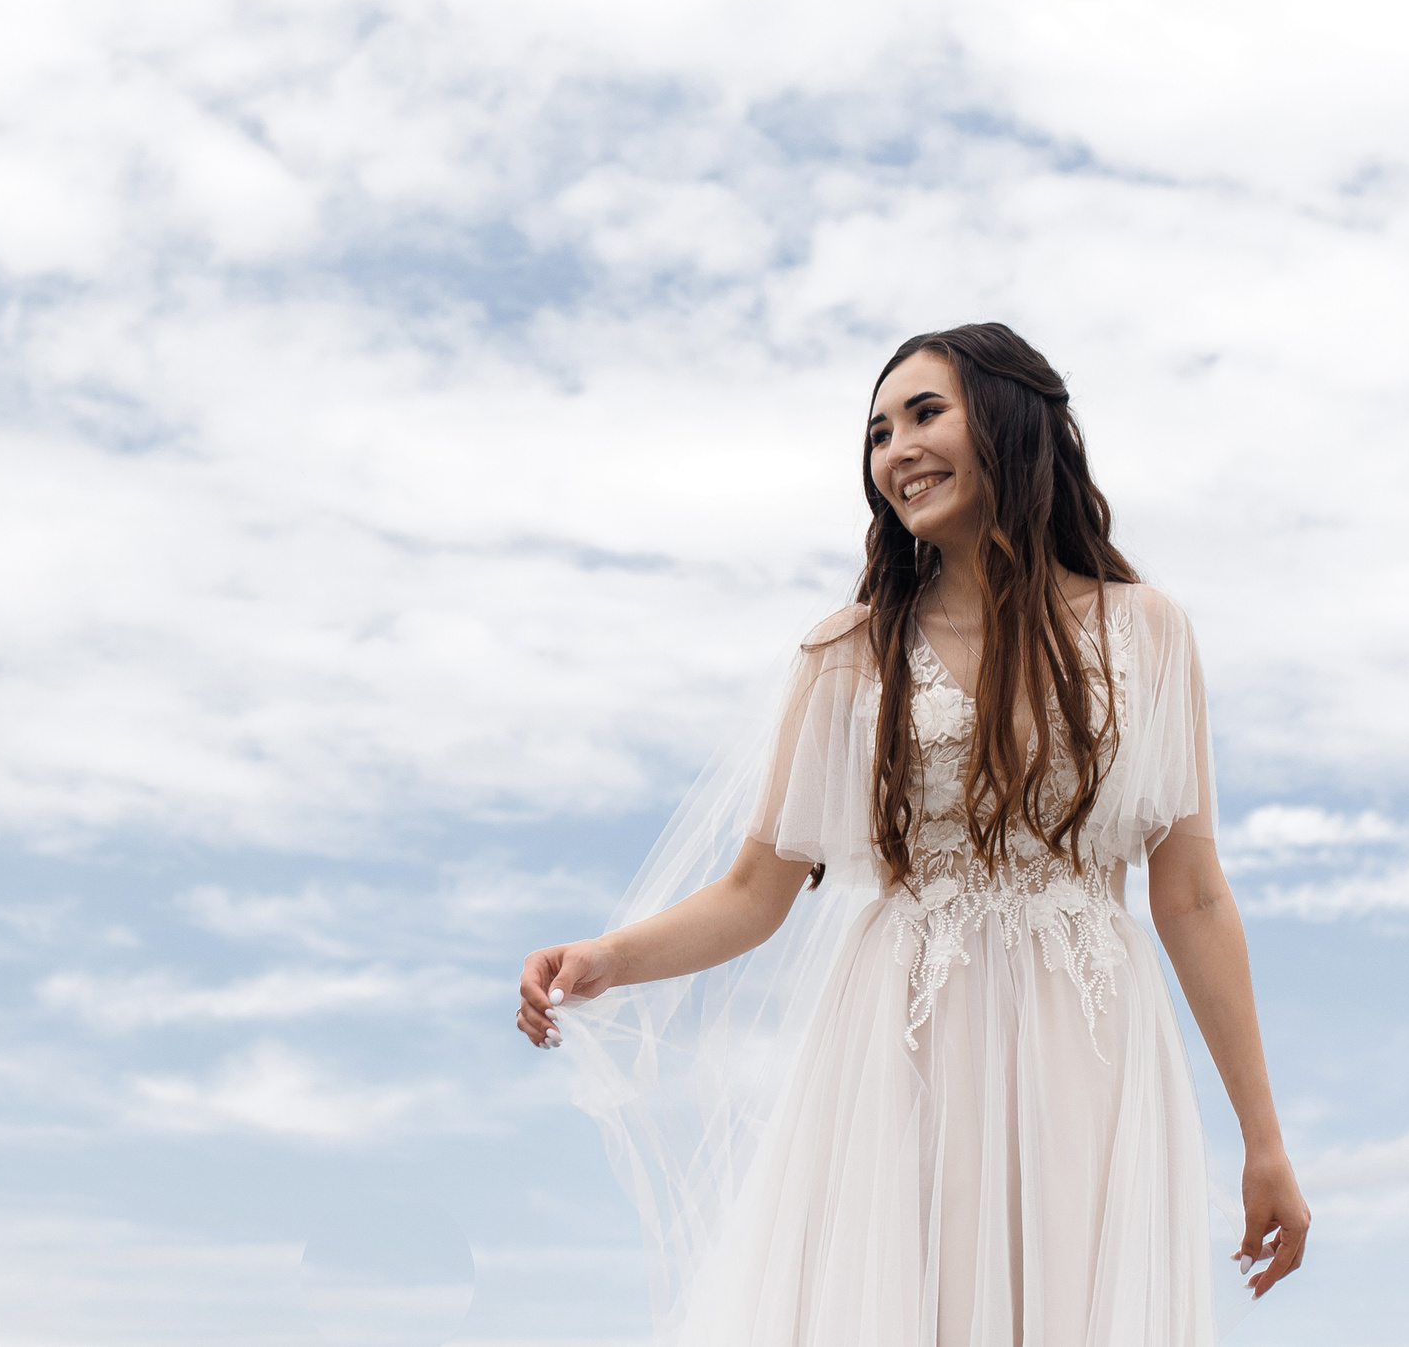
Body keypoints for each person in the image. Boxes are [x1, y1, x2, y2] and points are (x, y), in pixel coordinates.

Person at [517, 323, 1309, 1345]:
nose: (896, 451)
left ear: (1012, 421)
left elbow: (1192, 895)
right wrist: (604, 958)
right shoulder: (848, 651)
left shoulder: (1146, 632)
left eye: (925, 413)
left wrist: (1262, 1143)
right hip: (903, 1044)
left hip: (1092, 1044)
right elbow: (755, 890)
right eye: (878, 432)